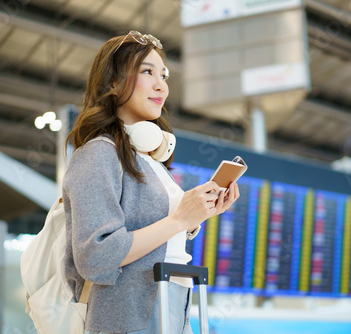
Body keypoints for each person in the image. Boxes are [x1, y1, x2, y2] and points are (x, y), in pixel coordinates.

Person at [61, 31, 240, 334]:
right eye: (147, 72)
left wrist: (197, 215)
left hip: (173, 306)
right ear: (113, 83)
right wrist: (180, 218)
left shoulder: (149, 160)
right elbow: (96, 256)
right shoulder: (97, 155)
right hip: (127, 319)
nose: (162, 86)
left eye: (164, 75)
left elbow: (162, 233)